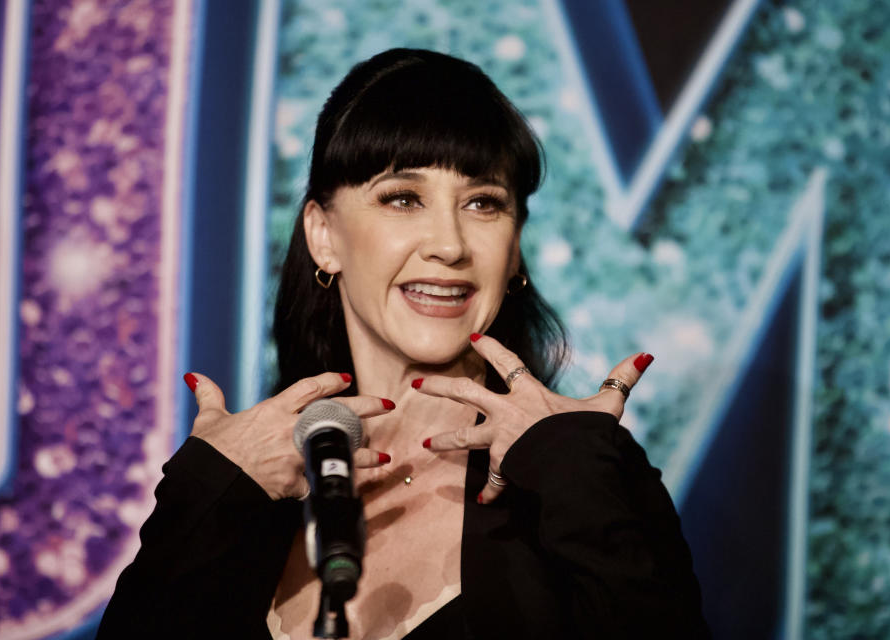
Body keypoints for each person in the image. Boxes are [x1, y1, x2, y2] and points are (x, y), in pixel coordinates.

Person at [97, 48, 709, 639]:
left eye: (483, 203)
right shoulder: (254, 491)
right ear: (323, 235)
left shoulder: (575, 477)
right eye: (403, 198)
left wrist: (578, 466)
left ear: (515, 248)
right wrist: (208, 495)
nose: (449, 243)